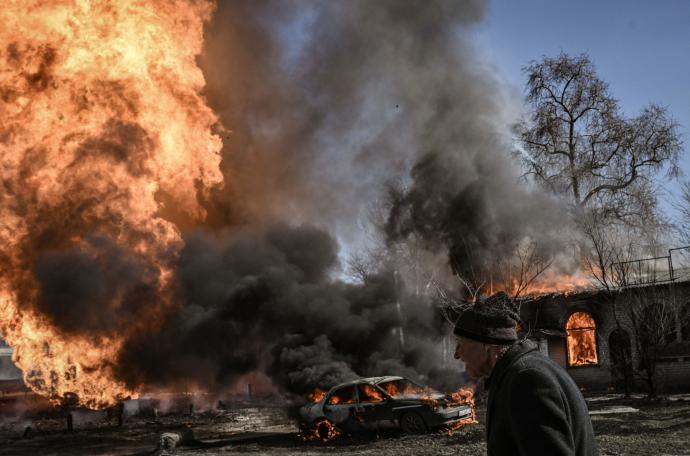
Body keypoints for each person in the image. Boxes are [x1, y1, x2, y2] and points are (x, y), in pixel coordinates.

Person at [453, 291, 598, 456]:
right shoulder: (519, 373)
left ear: (486, 345)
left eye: (460, 343)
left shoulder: (527, 381)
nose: (456, 354)